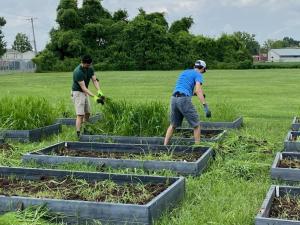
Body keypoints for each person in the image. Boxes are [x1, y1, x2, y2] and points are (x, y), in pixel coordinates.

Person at [164, 59, 211, 145]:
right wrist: (205, 105)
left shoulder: (185, 72)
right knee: (196, 125)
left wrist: (196, 94)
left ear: (195, 66)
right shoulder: (198, 74)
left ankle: (164, 146)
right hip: (183, 99)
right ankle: (198, 148)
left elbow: (184, 87)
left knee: (173, 125)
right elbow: (198, 90)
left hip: (174, 98)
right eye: (204, 70)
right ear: (203, 68)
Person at [71, 55, 104, 137]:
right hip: (78, 92)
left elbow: (94, 80)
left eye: (90, 65)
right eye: (87, 65)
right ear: (83, 63)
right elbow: (84, 88)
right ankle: (78, 133)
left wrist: (99, 91)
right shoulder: (78, 72)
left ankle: (85, 128)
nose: (89, 66)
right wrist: (95, 97)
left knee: (88, 113)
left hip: (85, 92)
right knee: (80, 114)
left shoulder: (90, 68)